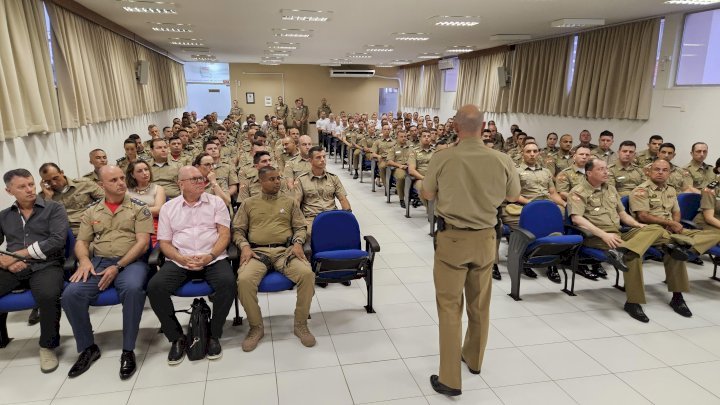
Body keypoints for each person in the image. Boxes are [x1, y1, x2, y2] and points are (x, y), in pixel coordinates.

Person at [422, 105, 520, 397]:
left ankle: (450, 379)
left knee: (450, 308)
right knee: (480, 303)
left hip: (453, 240)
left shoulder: (443, 157)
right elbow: (513, 196)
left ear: (455, 127)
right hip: (486, 239)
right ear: (483, 127)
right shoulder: (503, 159)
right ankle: (474, 359)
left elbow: (427, 193)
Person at [62, 166, 153, 380]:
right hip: (99, 262)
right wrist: (84, 261)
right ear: (102, 185)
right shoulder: (92, 210)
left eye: (122, 178)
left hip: (131, 262)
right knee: (70, 294)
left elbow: (142, 243)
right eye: (114, 180)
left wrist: (118, 266)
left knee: (132, 289)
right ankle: (87, 348)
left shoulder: (139, 208)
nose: (121, 183)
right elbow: (82, 242)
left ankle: (128, 350)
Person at [569, 158, 685, 322]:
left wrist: (638, 226)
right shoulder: (578, 192)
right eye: (601, 169)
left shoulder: (610, 188)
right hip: (597, 236)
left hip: (619, 233)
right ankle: (633, 302)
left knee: (658, 231)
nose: (606, 172)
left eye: (606, 169)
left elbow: (623, 215)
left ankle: (678, 296)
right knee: (633, 255)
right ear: (589, 173)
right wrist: (604, 235)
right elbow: (577, 219)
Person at [147, 166, 235, 365]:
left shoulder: (216, 203)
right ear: (181, 184)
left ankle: (213, 334)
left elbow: (224, 235)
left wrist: (210, 255)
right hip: (180, 259)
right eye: (194, 179)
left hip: (212, 258)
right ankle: (176, 337)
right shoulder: (169, 208)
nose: (200, 181)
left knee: (228, 283)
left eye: (201, 178)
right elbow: (165, 244)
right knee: (155, 287)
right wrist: (181, 259)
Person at [233, 166, 316, 352]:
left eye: (278, 178)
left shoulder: (290, 202)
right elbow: (238, 230)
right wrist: (244, 246)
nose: (277, 181)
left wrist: (297, 243)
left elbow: (301, 227)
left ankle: (300, 324)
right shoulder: (249, 203)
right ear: (261, 181)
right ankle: (256, 327)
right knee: (244, 281)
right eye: (272, 179)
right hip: (257, 252)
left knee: (307, 274)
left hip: (284, 252)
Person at [630, 159, 720, 316]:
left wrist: (675, 225)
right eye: (656, 169)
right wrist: (669, 223)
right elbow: (643, 216)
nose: (660, 172)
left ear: (669, 173)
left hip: (671, 229)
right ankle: (677, 296)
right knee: (674, 251)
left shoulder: (670, 190)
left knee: (715, 234)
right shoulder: (641, 190)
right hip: (652, 230)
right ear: (649, 172)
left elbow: (676, 212)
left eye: (664, 170)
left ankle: (686, 248)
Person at [0, 169, 68, 373]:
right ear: (9, 191)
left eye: (31, 184)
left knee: (48, 296)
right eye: (22, 186)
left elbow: (57, 241)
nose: (30, 189)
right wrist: (6, 261)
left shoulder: (53, 208)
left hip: (47, 264)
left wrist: (18, 255)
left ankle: (47, 346)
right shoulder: (4, 216)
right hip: (14, 267)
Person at [295, 146, 351, 238]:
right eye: (318, 157)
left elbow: (343, 199)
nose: (322, 160)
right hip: (312, 219)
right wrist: (300, 223)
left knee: (345, 233)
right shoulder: (301, 180)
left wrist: (347, 217)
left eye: (324, 157)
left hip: (332, 216)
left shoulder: (333, 178)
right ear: (310, 160)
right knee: (310, 235)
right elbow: (296, 204)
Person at [39, 163, 104, 236]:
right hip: (67, 235)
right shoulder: (43, 196)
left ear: (62, 172)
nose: (53, 183)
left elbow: (107, 201)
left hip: (92, 227)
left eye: (55, 178)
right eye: (48, 181)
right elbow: (43, 221)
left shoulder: (84, 184)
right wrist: (48, 198)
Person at [126, 160, 166, 245]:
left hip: (152, 223)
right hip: (131, 225)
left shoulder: (158, 188)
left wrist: (135, 211)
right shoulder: (127, 191)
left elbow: (158, 210)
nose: (145, 173)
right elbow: (125, 211)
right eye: (140, 171)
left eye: (146, 169)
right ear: (132, 175)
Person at [387, 130, 413, 208]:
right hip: (399, 168)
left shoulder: (411, 147)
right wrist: (399, 165)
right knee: (401, 177)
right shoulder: (394, 148)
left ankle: (414, 196)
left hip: (410, 167)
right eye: (401, 137)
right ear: (397, 138)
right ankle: (402, 199)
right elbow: (389, 161)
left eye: (405, 136)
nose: (404, 138)